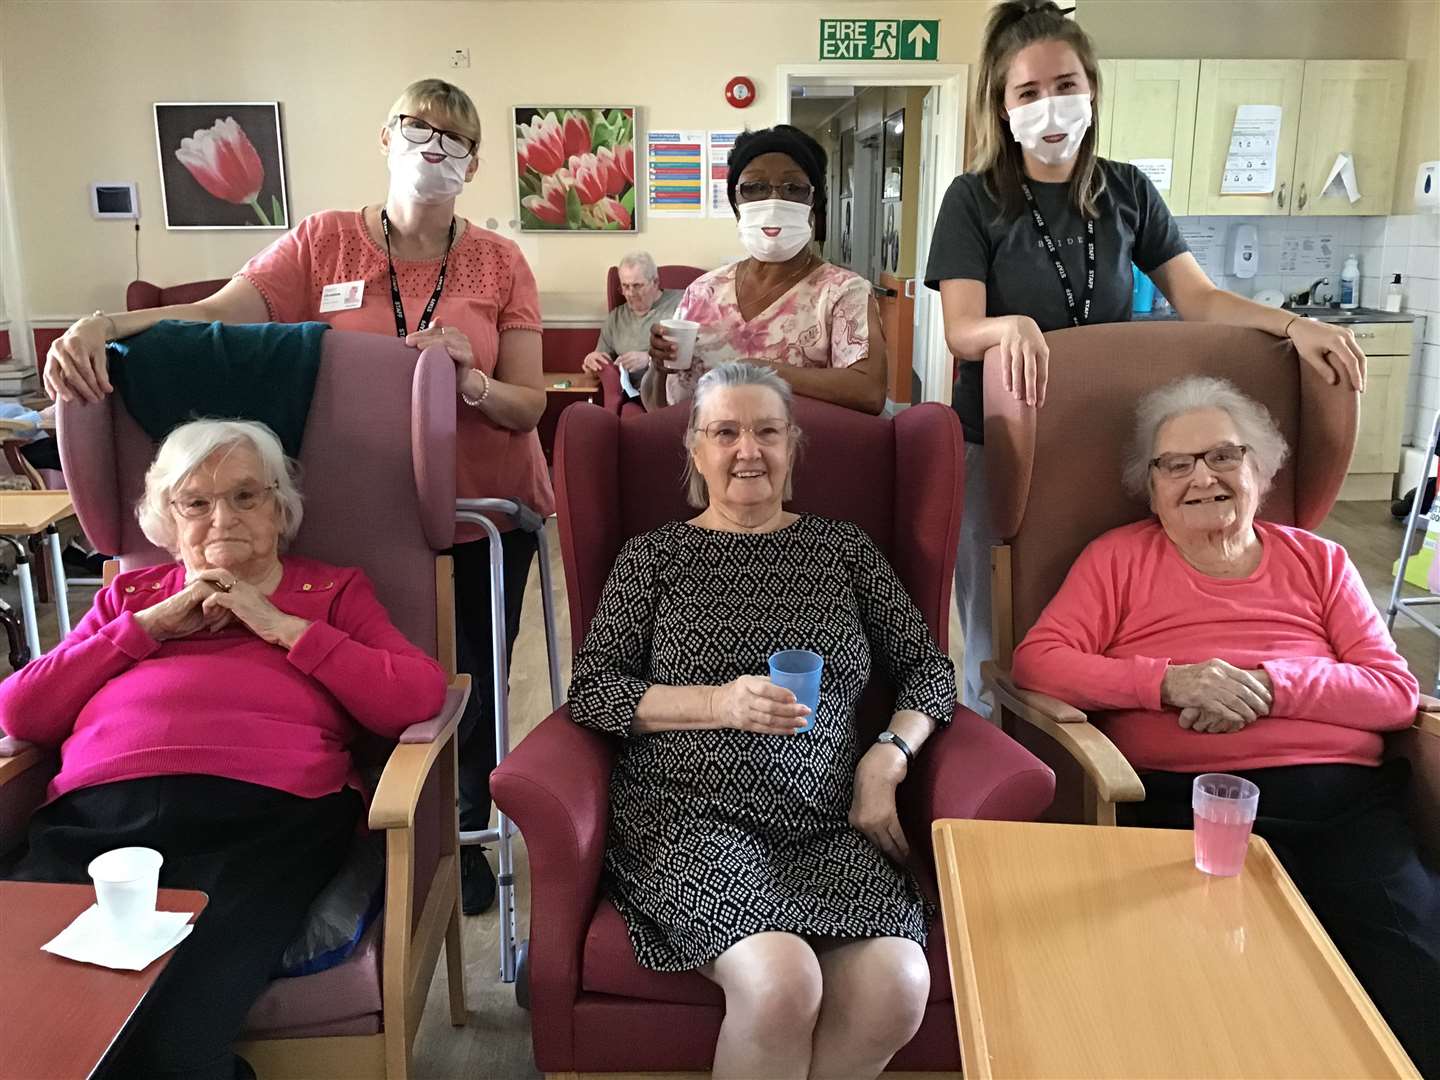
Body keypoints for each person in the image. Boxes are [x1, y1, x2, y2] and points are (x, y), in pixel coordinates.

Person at [40, 78, 547, 915]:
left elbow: (529, 407)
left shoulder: (499, 260)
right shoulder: (321, 242)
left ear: (477, 163)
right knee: (350, 664)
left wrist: (475, 379)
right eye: (418, 129)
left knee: (471, 678)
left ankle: (459, 831)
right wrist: (105, 326)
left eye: (454, 140)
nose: (434, 149)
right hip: (353, 505)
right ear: (385, 137)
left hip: (477, 508)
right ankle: (365, 822)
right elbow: (214, 316)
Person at [924, 0, 1368, 717]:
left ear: (1092, 91)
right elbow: (961, 327)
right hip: (999, 442)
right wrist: (1007, 328)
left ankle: (1116, 735)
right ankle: (997, 752)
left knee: (1101, 600)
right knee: (995, 624)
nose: (1050, 108)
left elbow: (1199, 298)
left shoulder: (1127, 190)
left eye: (1064, 86)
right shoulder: (975, 199)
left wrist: (1294, 326)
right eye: (1028, 93)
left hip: (1105, 433)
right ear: (1001, 109)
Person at [1011, 376, 1439, 1075]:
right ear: (1150, 489)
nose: (1200, 477)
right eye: (1174, 465)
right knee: (1219, 1002)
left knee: (1415, 970)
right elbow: (1040, 661)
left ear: (1261, 470)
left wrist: (1272, 688)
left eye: (1221, 456)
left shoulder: (1320, 562)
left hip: (1343, 809)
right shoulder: (1119, 558)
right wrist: (1167, 680)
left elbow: (1394, 691)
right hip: (1182, 805)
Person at [0, 419, 446, 1080]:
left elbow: (416, 695)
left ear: (279, 509)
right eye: (196, 502)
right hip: (94, 824)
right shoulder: (129, 597)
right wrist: (148, 627)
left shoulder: (330, 592)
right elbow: (20, 709)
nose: (222, 518)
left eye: (246, 496)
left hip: (262, 825)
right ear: (165, 518)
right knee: (37, 1025)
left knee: (178, 1040)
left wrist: (284, 628)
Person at [569, 362, 955, 1080]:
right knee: (782, 982)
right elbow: (593, 691)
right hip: (687, 820)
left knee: (897, 984)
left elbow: (930, 670)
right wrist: (718, 702)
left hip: (827, 823)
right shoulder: (654, 558)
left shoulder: (845, 551)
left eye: (767, 432)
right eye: (725, 432)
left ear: (793, 445)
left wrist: (887, 758)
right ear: (695, 450)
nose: (748, 450)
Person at [642, 126, 888, 415]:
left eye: (793, 188)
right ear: (736, 204)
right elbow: (656, 408)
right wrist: (658, 368)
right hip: (701, 457)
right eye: (754, 187)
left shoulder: (842, 293)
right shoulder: (703, 292)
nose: (773, 202)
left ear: (814, 204)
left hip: (804, 457)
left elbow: (869, 392)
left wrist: (761, 372)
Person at [582, 250, 682, 403]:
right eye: (625, 286)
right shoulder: (615, 319)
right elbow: (599, 365)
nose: (630, 293)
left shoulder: (681, 305)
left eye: (637, 286)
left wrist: (649, 359)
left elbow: (697, 355)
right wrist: (592, 363)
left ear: (655, 282)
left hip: (673, 395)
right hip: (633, 396)